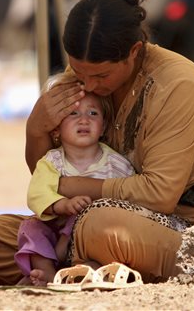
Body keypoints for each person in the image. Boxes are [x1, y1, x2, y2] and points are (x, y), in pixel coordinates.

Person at [0, 0, 194, 285]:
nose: (88, 85)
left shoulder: (177, 83)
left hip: (189, 228)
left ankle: (77, 268)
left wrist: (74, 187)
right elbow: (50, 175)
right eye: (79, 71)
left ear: (134, 51)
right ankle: (84, 269)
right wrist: (37, 129)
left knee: (99, 227)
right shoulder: (82, 78)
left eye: (101, 75)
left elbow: (159, 195)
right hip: (83, 223)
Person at [14, 73, 134, 286]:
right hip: (55, 229)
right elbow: (37, 192)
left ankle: (81, 272)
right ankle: (47, 273)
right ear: (57, 128)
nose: (84, 119)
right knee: (30, 228)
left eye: (93, 113)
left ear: (104, 126)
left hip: (89, 236)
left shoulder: (116, 164)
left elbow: (128, 199)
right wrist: (63, 204)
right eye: (73, 113)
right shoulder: (52, 161)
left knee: (100, 240)